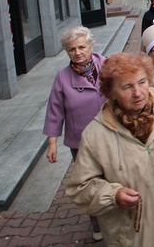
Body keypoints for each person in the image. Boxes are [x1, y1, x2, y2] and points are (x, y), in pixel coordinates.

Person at [65, 52, 154, 246]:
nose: (138, 92)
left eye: (142, 82)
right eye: (127, 86)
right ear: (111, 92)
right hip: (133, 235)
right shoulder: (95, 134)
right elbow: (80, 187)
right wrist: (113, 195)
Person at [43, 27, 105, 240]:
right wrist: (52, 143)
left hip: (112, 136)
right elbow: (54, 110)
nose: (77, 52)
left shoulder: (108, 66)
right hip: (81, 142)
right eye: (72, 49)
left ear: (91, 46)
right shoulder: (62, 77)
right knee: (89, 184)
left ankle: (118, 217)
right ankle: (97, 224)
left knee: (116, 177)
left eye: (81, 47)